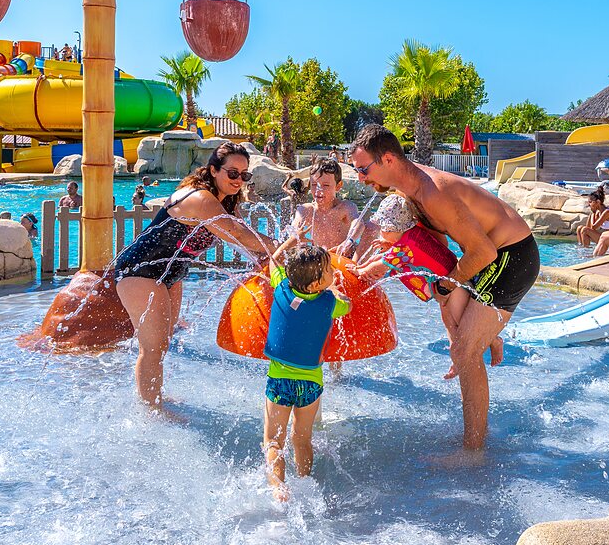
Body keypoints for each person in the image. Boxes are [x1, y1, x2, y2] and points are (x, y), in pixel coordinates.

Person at [349, 124, 538, 450]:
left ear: (389, 159)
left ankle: (473, 452)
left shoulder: (434, 192)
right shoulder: (409, 192)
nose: (361, 178)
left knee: (465, 351)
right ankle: (488, 334)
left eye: (364, 169)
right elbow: (437, 249)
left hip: (511, 257)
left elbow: (484, 252)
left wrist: (449, 284)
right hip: (487, 257)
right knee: (452, 319)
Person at [114, 142, 279, 409]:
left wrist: (262, 259)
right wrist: (280, 246)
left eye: (244, 175)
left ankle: (154, 396)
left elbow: (238, 238)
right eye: (232, 173)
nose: (238, 180)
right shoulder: (200, 198)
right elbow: (236, 232)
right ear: (213, 170)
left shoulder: (226, 202)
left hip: (171, 274)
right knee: (153, 346)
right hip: (140, 270)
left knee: (163, 342)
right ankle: (152, 410)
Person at [354, 193, 501, 380]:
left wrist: (359, 271)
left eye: (384, 228)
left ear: (394, 228)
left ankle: (493, 339)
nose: (381, 231)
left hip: (455, 287)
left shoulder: (405, 248)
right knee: (449, 324)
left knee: (463, 325)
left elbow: (380, 265)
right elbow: (390, 256)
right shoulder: (410, 236)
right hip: (447, 283)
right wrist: (375, 255)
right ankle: (457, 359)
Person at [261, 243, 350, 501]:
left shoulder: (281, 287)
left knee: (272, 440)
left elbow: (273, 261)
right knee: (301, 438)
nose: (333, 271)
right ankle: (304, 481)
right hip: (310, 384)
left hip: (279, 381)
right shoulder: (330, 303)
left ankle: (278, 487)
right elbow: (348, 305)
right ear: (316, 284)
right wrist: (333, 290)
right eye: (329, 270)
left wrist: (291, 240)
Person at [272, 158, 364, 259]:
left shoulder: (345, 207)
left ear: (338, 186)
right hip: (321, 260)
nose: (319, 190)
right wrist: (297, 240)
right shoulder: (306, 210)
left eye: (326, 185)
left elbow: (358, 223)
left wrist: (349, 241)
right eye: (314, 184)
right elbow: (294, 228)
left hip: (345, 258)